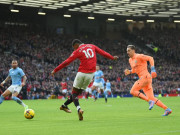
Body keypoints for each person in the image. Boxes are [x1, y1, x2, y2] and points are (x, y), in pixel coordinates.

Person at [51, 39, 118, 121]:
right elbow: (103, 53)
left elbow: (67, 62)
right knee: (77, 93)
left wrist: (55, 70)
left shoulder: (78, 50)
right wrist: (112, 57)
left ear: (76, 45)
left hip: (81, 73)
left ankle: (78, 109)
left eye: (74, 48)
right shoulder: (92, 46)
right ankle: (64, 106)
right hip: (90, 75)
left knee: (74, 93)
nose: (74, 49)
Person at [124, 45, 172, 116]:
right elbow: (135, 70)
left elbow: (150, 58)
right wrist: (130, 71)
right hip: (144, 79)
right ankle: (167, 109)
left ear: (133, 50)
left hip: (145, 77)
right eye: (127, 51)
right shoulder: (130, 60)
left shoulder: (139, 56)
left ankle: (149, 101)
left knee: (132, 91)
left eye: (129, 50)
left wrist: (153, 69)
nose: (127, 52)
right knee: (151, 97)